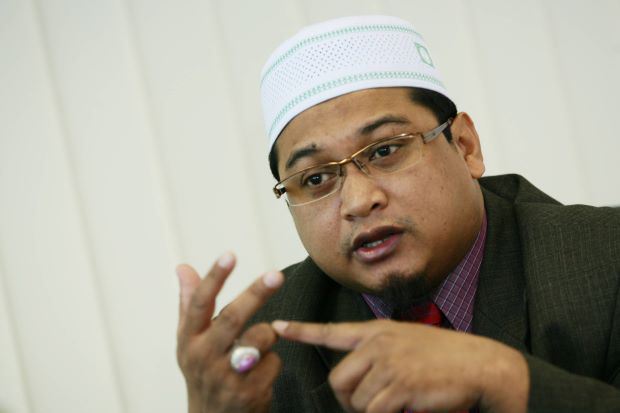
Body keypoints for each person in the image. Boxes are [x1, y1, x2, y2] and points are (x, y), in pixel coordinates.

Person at [175, 15, 620, 413]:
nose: (358, 201)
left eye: (385, 150)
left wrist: (501, 378)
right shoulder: (261, 350)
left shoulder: (606, 265)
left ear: (465, 146)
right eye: (316, 178)